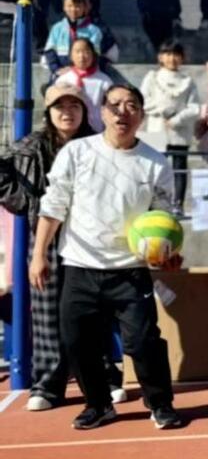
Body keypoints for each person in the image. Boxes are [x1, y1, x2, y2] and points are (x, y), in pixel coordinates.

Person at [31, 83, 184, 431]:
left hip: (130, 272)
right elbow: (54, 206)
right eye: (114, 105)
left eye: (132, 105)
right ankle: (98, 405)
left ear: (142, 116)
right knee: (77, 342)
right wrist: (39, 253)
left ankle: (160, 404)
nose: (122, 112)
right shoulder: (77, 152)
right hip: (79, 267)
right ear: (102, 113)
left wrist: (169, 253)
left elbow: (164, 219)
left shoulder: (155, 163)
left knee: (143, 341)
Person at [0, 85, 126, 411]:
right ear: (48, 111)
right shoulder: (30, 147)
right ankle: (48, 385)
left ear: (86, 111)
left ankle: (106, 378)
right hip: (46, 239)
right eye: (60, 106)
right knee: (46, 313)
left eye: (74, 105)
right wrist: (25, 201)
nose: (67, 112)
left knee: (93, 314)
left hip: (90, 239)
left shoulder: (99, 145)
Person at [140, 41, 201, 215]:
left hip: (180, 132)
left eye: (176, 54)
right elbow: (143, 100)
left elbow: (194, 107)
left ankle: (178, 205)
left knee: (179, 168)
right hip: (157, 130)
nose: (171, 58)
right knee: (156, 167)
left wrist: (176, 119)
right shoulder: (152, 77)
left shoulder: (188, 82)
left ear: (182, 58)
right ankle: (156, 203)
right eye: (167, 54)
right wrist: (162, 110)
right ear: (160, 57)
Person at [42, 0, 118, 80]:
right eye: (69, 6)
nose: (73, 9)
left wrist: (75, 70)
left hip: (86, 73)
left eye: (77, 6)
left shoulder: (93, 30)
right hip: (61, 73)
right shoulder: (57, 28)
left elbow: (95, 54)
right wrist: (57, 69)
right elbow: (50, 51)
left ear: (84, 8)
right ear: (64, 8)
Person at [51, 38, 113, 132]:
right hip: (69, 131)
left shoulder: (104, 81)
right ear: (71, 56)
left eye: (86, 51)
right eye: (77, 51)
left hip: (95, 131)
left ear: (93, 55)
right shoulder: (63, 80)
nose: (82, 56)